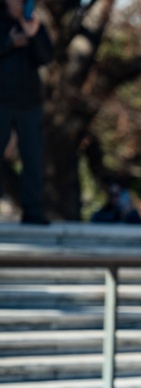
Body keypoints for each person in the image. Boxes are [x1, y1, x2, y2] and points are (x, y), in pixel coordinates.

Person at [0, 0, 52, 224]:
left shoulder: (35, 24)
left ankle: (32, 210)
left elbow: (46, 58)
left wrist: (34, 34)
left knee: (33, 158)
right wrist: (9, 43)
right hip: (1, 100)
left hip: (29, 102)